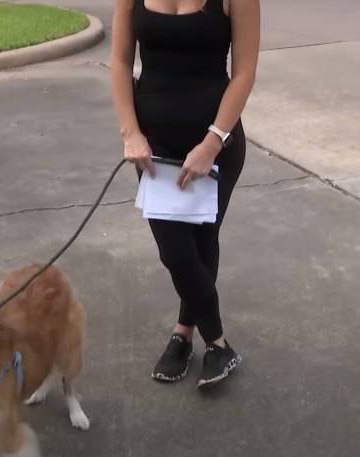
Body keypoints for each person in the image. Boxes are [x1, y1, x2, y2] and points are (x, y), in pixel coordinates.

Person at [110, 0, 260, 388]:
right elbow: (121, 62)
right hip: (154, 150)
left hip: (217, 146)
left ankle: (184, 333)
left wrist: (212, 142)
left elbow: (244, 73)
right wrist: (131, 132)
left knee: (202, 241)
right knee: (175, 251)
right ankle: (218, 342)